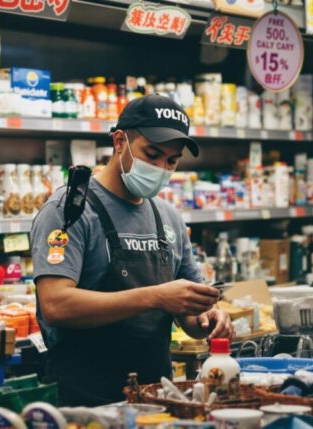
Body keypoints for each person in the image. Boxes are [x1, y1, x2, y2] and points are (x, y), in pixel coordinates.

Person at [31, 94, 232, 406]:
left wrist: (210, 317)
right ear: (120, 141)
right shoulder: (69, 209)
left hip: (154, 399)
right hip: (86, 402)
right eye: (151, 155)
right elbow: (55, 305)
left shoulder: (168, 217)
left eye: (172, 160)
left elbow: (191, 315)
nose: (161, 168)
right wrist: (156, 296)